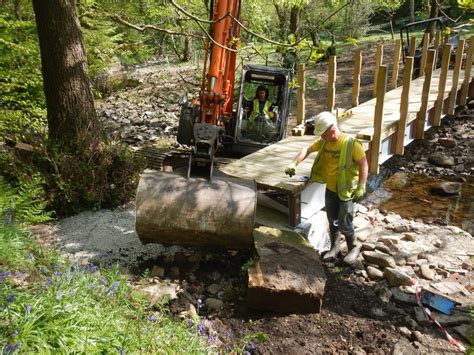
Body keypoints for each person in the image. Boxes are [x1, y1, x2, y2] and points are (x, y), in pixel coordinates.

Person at [285, 112, 368, 265]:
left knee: (345, 222)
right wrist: (293, 163)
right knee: (332, 220)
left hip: (346, 192)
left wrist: (362, 186)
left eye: (323, 133)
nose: (321, 137)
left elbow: (363, 163)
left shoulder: (351, 144)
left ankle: (353, 247)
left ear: (332, 129)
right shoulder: (324, 142)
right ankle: (334, 247)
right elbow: (307, 149)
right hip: (330, 189)